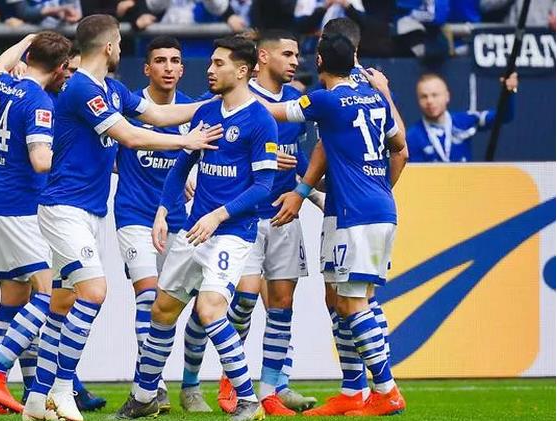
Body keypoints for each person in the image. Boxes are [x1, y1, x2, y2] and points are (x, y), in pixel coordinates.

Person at [22, 14, 222, 421]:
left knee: (62, 303)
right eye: (119, 44)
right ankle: (61, 391)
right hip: (64, 209)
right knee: (94, 292)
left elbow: (158, 115)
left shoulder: (111, 89)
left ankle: (36, 400)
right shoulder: (82, 88)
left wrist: (215, 104)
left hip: (89, 211)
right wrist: (186, 141)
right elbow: (129, 135)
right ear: (110, 47)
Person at [115, 35, 277, 421]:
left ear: (242, 71)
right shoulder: (206, 113)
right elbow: (181, 168)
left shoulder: (261, 121)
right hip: (193, 229)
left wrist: (218, 215)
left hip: (232, 234)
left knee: (209, 308)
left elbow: (263, 187)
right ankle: (144, 396)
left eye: (219, 63)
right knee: (162, 309)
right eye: (211, 63)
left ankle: (248, 401)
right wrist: (161, 212)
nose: (210, 70)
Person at [258, 32, 408, 416]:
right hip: (377, 206)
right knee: (348, 299)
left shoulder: (325, 100)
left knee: (354, 303)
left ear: (320, 62)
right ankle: (355, 391)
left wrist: (230, 96)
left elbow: (274, 111)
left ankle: (386, 390)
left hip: (354, 213)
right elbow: (398, 146)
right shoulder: (374, 97)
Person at [177, 29, 319, 417]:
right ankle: (222, 380)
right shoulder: (232, 98)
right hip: (243, 220)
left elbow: (303, 160)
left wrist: (306, 191)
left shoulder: (296, 103)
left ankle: (273, 389)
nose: (295, 61)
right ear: (263, 58)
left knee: (283, 304)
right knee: (239, 301)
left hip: (284, 216)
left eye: (297, 55)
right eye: (288, 54)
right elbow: (198, 139)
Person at [0, 31, 72, 415]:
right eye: (66, 70)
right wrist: (73, 159)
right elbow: (41, 161)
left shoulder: (3, 84)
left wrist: (27, 39)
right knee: (48, 293)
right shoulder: (39, 102)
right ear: (60, 68)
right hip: (22, 209)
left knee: (13, 301)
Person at [113, 35, 193, 413]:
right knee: (147, 297)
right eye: (160, 61)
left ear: (182, 68)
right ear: (147, 68)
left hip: (178, 220)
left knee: (168, 305)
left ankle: (150, 380)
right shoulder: (128, 106)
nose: (168, 67)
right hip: (134, 216)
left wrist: (191, 178)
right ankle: (154, 386)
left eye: (174, 61)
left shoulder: (190, 111)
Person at [408, 72, 518, 162]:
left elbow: (504, 116)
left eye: (435, 95)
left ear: (447, 96)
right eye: (424, 96)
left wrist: (509, 93)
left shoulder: (464, 121)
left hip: (465, 182)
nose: (430, 101)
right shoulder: (412, 136)